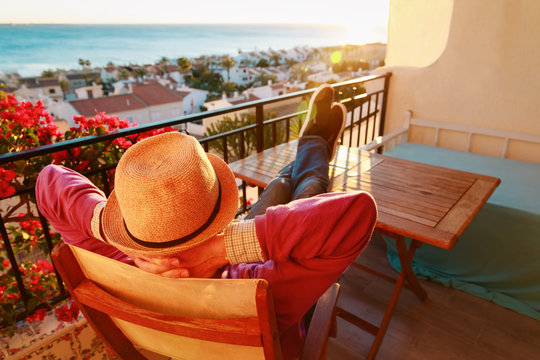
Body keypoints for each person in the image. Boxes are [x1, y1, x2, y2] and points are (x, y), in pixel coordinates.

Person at [36, 84, 377, 359]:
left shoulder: (116, 265)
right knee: (309, 190)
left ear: (131, 224)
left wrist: (117, 237)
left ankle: (298, 162)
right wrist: (220, 249)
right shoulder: (250, 286)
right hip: (260, 310)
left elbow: (49, 180)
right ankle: (313, 146)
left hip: (174, 334)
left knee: (280, 189)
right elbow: (355, 215)